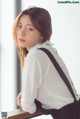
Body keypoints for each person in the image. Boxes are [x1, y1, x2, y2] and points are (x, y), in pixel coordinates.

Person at [13, 6, 79, 118]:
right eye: (19, 26)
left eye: (30, 28)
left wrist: (25, 102)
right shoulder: (48, 50)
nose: (21, 33)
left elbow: (28, 106)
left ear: (42, 34)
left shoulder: (35, 55)